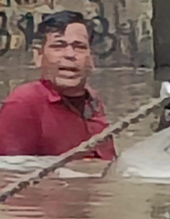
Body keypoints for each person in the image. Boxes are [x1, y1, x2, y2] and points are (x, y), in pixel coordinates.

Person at [0, 11, 116, 159]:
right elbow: (10, 176)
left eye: (79, 46)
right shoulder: (24, 103)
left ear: (91, 58)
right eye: (58, 46)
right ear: (38, 56)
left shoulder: (93, 102)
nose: (69, 54)